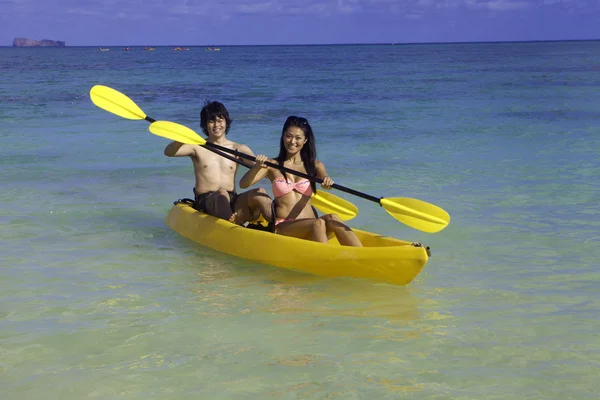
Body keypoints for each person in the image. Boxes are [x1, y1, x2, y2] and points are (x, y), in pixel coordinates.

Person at [239, 116, 362, 246]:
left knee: (333, 218)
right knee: (318, 223)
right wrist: (257, 167)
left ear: (305, 140)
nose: (292, 141)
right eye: (289, 136)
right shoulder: (272, 165)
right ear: (283, 137)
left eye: (298, 138)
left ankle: (361, 255)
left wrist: (327, 182)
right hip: (285, 226)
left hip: (312, 224)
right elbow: (243, 184)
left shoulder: (315, 165)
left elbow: (325, 180)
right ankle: (326, 260)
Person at [163, 101, 272, 225]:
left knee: (260, 192)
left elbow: (259, 167)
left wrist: (259, 164)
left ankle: (278, 225)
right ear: (205, 125)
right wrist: (181, 138)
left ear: (226, 122)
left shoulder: (238, 148)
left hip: (232, 199)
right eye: (211, 121)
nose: (216, 125)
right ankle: (234, 225)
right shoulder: (197, 147)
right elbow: (169, 152)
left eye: (220, 120)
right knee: (221, 192)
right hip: (207, 200)